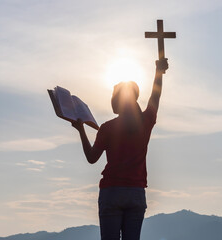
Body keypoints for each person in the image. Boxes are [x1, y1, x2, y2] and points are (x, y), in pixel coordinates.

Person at [72, 58, 169, 240]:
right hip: (136, 192)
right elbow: (155, 97)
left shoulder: (107, 128)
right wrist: (158, 72)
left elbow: (92, 157)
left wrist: (81, 130)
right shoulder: (146, 122)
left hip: (112, 192)